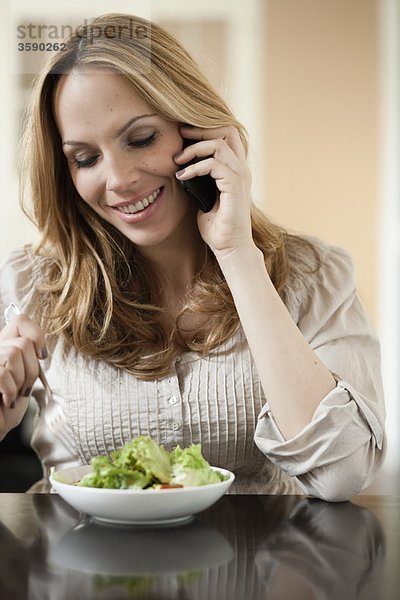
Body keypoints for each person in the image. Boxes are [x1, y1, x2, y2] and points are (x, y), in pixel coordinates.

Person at [0, 13, 385, 500]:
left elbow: (342, 474)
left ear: (199, 129)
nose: (117, 180)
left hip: (262, 571)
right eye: (85, 158)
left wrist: (237, 252)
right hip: (80, 569)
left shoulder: (316, 275)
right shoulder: (28, 284)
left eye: (141, 138)